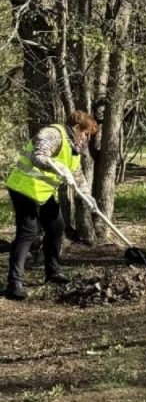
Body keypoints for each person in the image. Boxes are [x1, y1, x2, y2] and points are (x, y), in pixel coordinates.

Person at [5, 110, 100, 300]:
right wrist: (58, 167)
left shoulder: (74, 149)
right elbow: (38, 156)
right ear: (76, 128)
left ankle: (53, 272)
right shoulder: (53, 133)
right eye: (85, 133)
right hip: (24, 187)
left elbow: (77, 174)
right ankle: (14, 284)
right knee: (28, 232)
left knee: (57, 227)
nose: (85, 138)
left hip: (43, 193)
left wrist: (88, 196)